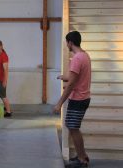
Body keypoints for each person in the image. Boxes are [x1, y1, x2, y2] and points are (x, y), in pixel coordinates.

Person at [54, 31, 91, 168]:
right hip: (84, 97)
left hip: (78, 99)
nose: (67, 45)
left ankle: (82, 160)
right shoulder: (85, 55)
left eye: (67, 43)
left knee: (73, 128)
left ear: (70, 42)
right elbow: (75, 77)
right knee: (74, 127)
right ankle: (82, 155)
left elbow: (70, 85)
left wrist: (59, 104)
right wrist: (64, 76)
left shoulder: (76, 59)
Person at [0, 40, 12, 117]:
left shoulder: (4, 56)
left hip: (0, 81)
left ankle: (8, 112)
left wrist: (5, 81)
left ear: (1, 46)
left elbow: (6, 70)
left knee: (3, 97)